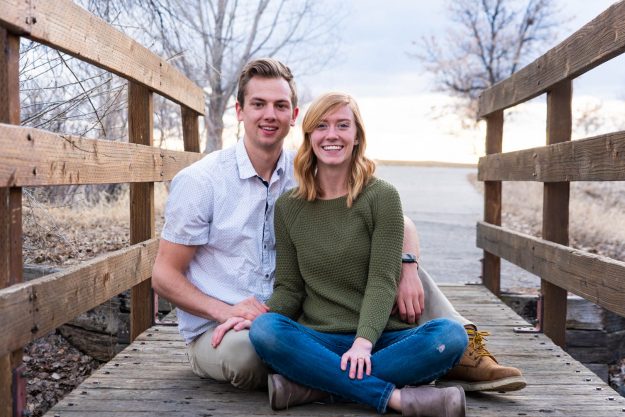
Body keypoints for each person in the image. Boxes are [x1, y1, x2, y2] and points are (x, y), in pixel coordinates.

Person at [151, 57, 525, 397]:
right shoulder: (203, 182)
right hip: (246, 324)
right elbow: (164, 276)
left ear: (294, 115)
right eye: (258, 104)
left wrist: (408, 262)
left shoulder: (306, 171)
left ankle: (324, 383)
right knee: (251, 354)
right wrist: (225, 311)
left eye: (280, 105)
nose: (270, 114)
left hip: (299, 318)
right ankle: (388, 388)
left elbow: (394, 221)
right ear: (240, 111)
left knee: (414, 287)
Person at [236, 91, 467, 416]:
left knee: (450, 336)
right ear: (309, 136)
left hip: (381, 339)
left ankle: (314, 387)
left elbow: (382, 282)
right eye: (322, 126)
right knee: (266, 331)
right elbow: (290, 288)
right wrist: (259, 314)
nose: (332, 135)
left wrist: (363, 343)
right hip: (318, 339)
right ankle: (396, 398)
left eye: (342, 125)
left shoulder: (381, 197)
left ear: (357, 136)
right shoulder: (289, 207)